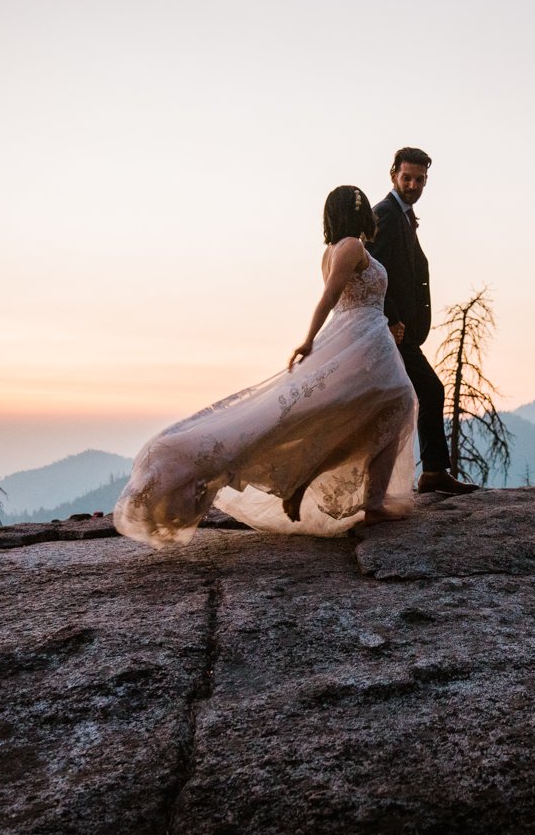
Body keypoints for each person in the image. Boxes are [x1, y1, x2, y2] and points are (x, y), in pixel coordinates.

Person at [114, 186, 417, 548]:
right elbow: (332, 296)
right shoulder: (351, 245)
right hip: (361, 341)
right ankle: (359, 499)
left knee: (376, 414)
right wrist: (308, 339)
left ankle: (335, 491)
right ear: (358, 214)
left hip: (364, 338)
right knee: (395, 403)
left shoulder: (333, 250)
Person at [368, 146, 478, 494]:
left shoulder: (402, 215)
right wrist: (392, 318)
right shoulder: (385, 214)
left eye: (420, 179)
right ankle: (430, 472)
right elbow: (373, 269)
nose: (413, 184)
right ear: (393, 175)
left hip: (401, 330)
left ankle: (428, 471)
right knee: (429, 390)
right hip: (392, 330)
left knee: (406, 396)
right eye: (407, 177)